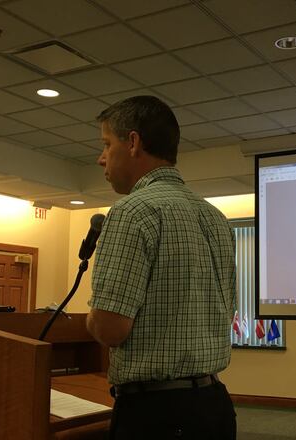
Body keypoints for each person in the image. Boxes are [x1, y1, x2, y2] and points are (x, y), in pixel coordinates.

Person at [86, 95, 237, 439]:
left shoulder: (132, 212)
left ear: (133, 143)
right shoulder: (216, 218)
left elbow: (110, 329)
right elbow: (226, 311)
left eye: (106, 144)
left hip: (156, 415)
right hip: (215, 407)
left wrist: (90, 319)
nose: (101, 158)